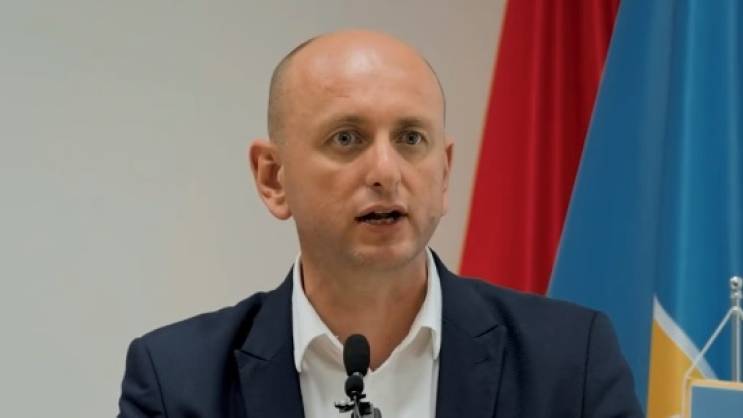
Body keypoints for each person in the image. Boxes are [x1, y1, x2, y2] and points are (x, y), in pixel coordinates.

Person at [118, 30, 643, 418]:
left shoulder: (571, 362)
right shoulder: (176, 381)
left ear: (444, 174)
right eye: (347, 139)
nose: (387, 172)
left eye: (411, 139)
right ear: (273, 178)